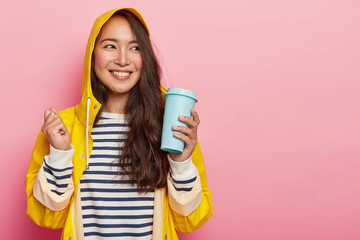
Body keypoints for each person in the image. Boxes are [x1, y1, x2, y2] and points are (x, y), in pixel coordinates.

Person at [25, 7, 213, 240]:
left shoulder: (168, 126)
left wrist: (181, 163)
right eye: (110, 46)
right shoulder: (63, 128)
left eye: (135, 48)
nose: (123, 60)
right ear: (93, 54)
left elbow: (190, 220)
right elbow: (46, 215)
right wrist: (60, 154)